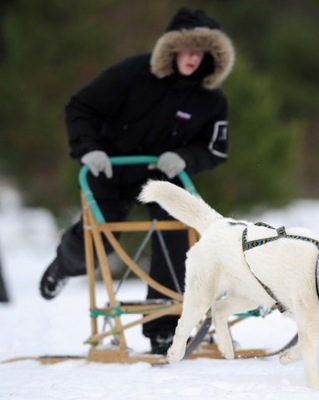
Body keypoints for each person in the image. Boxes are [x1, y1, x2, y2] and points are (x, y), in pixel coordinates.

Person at [38, 7, 235, 355]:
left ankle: (163, 329)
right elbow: (80, 107)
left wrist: (186, 157)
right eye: (186, 49)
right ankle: (63, 265)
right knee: (102, 242)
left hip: (163, 179)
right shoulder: (133, 74)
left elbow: (216, 150)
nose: (192, 58)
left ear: (211, 55)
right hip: (111, 170)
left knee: (174, 238)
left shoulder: (210, 99)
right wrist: (89, 149)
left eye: (200, 51)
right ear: (171, 50)